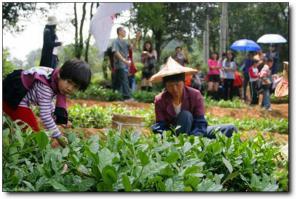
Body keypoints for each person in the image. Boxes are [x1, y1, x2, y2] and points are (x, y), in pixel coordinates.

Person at [3, 59, 92, 147]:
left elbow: (49, 103)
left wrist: (61, 120)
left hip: (17, 97)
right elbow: (45, 116)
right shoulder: (46, 87)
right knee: (34, 135)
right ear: (61, 74)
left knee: (27, 129)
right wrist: (59, 136)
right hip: (14, 99)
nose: (70, 88)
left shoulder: (53, 78)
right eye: (69, 82)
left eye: (75, 86)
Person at [150, 57, 237, 138]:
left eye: (177, 84)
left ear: (183, 82)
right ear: (165, 86)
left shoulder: (195, 95)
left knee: (230, 129)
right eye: (170, 86)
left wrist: (194, 139)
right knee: (185, 116)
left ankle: (191, 145)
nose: (175, 89)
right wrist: (167, 139)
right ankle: (182, 146)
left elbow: (200, 122)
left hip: (195, 133)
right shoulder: (160, 100)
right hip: (174, 136)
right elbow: (160, 126)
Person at [112, 26, 132, 101]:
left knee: (117, 82)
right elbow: (115, 52)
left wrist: (137, 38)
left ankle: (114, 97)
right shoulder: (116, 41)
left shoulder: (125, 42)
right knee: (124, 80)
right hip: (120, 64)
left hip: (124, 65)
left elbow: (133, 48)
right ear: (119, 32)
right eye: (124, 31)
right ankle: (127, 97)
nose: (125, 32)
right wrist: (124, 60)